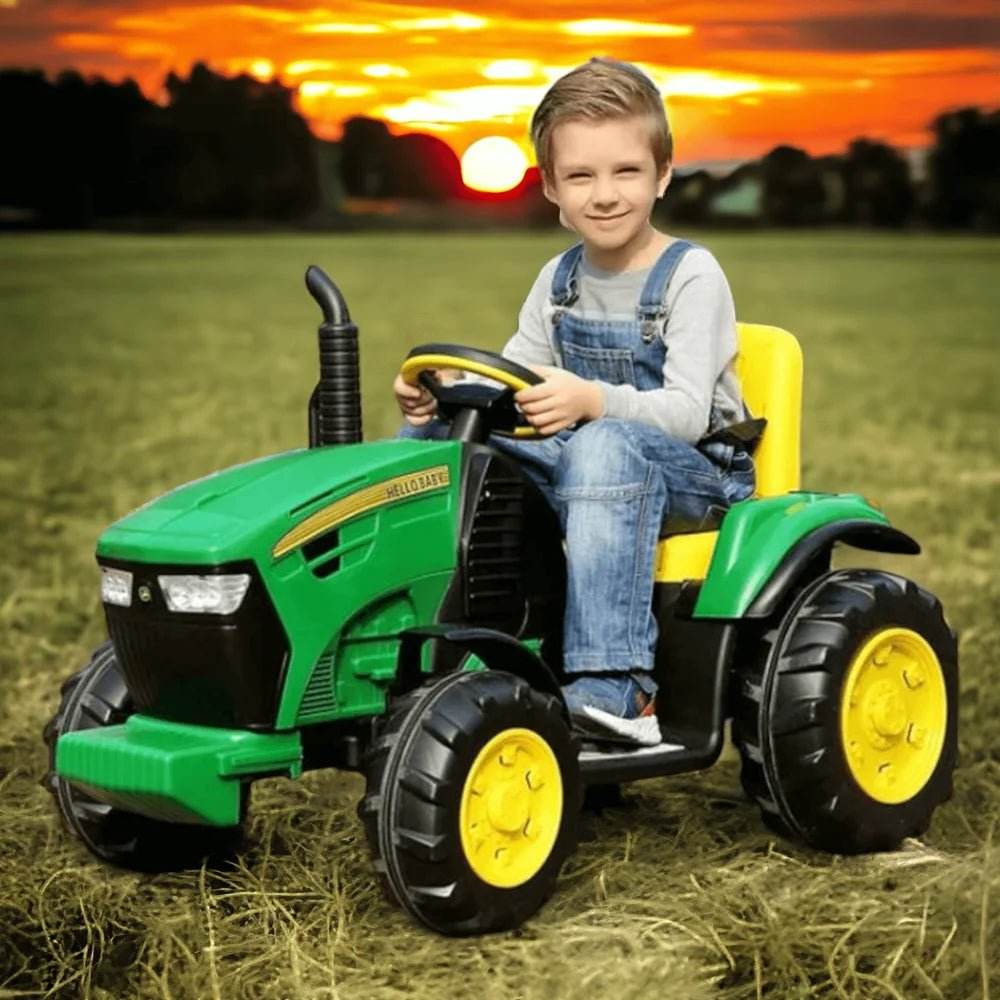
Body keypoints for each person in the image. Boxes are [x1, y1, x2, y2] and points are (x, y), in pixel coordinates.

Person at [393, 57, 755, 747]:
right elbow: (515, 382)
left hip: (695, 474)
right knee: (443, 441)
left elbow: (687, 412)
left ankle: (618, 686)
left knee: (603, 444)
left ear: (663, 174)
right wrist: (437, 401)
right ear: (553, 189)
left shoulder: (692, 274)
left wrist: (592, 398)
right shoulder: (557, 279)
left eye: (626, 172)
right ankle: (425, 650)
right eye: (581, 176)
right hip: (587, 462)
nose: (606, 194)